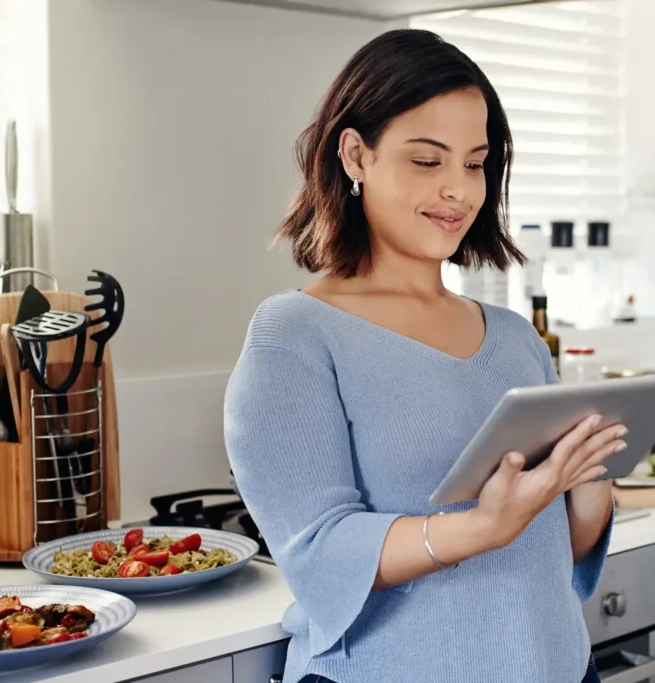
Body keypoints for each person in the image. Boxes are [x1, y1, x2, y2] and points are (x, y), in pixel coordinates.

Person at [224, 28, 620, 683]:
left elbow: (558, 549)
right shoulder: (293, 334)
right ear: (355, 155)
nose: (460, 191)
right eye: (428, 161)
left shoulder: (517, 338)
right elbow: (318, 550)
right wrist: (481, 526)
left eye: (475, 162)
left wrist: (587, 478)